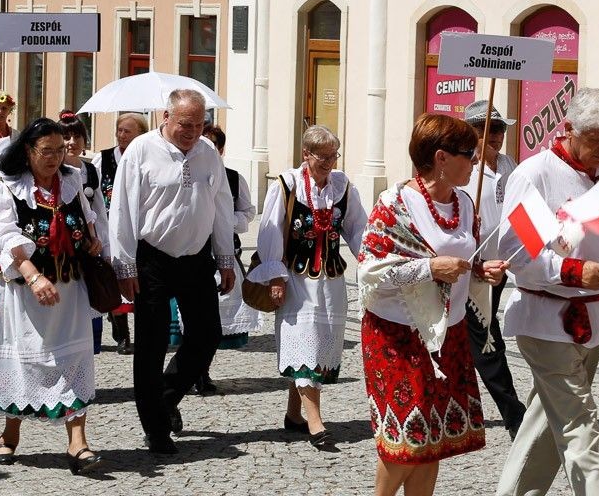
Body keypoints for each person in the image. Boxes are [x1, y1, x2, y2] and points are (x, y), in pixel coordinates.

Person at [494, 88, 599, 496]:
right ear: (567, 130)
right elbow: (515, 250)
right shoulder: (533, 174)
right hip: (546, 320)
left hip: (594, 321)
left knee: (548, 422)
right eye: (596, 141)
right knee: (579, 423)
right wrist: (572, 271)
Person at [359, 113, 508, 496]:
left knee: (432, 435)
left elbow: (464, 258)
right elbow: (370, 271)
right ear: (441, 158)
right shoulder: (394, 203)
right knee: (407, 435)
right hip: (398, 334)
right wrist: (428, 268)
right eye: (468, 154)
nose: (476, 162)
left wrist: (479, 269)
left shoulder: (463, 203)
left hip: (449, 333)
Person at [0, 119, 105, 474]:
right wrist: (33, 277)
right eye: (47, 151)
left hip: (69, 287)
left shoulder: (73, 180)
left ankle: (78, 442)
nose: (55, 157)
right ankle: (9, 434)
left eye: (60, 150)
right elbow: (4, 237)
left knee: (74, 358)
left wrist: (93, 240)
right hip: (25, 293)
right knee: (23, 359)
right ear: (28, 151)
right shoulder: (6, 188)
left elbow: (90, 220)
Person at [109, 89, 236, 456]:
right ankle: (156, 426)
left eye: (199, 124)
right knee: (151, 344)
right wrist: (125, 265)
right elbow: (123, 211)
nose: (193, 131)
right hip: (153, 259)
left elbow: (222, 206)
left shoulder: (208, 153)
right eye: (185, 124)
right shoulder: (141, 151)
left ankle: (165, 396)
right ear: (166, 116)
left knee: (207, 334)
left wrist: (225, 257)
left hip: (196, 258)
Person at [249, 124, 367, 447]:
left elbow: (358, 229)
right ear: (306, 154)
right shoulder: (287, 185)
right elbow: (270, 232)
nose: (330, 162)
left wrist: (371, 259)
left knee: (318, 344)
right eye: (323, 156)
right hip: (296, 280)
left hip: (331, 282)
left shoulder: (343, 188)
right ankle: (316, 423)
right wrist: (275, 274)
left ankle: (294, 414)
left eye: (334, 156)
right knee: (303, 340)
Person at [460, 99, 526, 439]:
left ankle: (453, 403)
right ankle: (516, 415)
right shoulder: (465, 171)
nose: (498, 136)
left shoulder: (508, 164)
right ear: (473, 132)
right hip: (472, 270)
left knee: (466, 337)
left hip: (500, 266)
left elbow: (520, 211)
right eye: (490, 130)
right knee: (485, 338)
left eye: (501, 129)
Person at [192, 124, 258, 395]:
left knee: (214, 320)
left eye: (214, 146)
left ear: (221, 150)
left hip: (223, 257)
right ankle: (193, 371)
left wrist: (227, 222)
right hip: (192, 257)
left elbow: (248, 212)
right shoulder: (191, 174)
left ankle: (203, 369)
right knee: (193, 319)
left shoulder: (232, 178)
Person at [93, 112, 148, 355]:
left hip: (139, 229)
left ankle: (144, 331)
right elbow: (93, 194)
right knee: (115, 279)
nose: (121, 135)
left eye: (128, 131)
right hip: (110, 229)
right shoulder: (102, 159)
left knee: (140, 280)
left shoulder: (146, 158)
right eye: (119, 130)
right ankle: (122, 335)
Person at [59, 111, 109, 355]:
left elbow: (98, 209)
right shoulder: (54, 171)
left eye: (77, 136)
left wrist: (103, 244)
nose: (71, 142)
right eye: (66, 136)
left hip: (88, 246)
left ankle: (87, 350)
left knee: (89, 298)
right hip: (62, 245)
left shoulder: (90, 170)